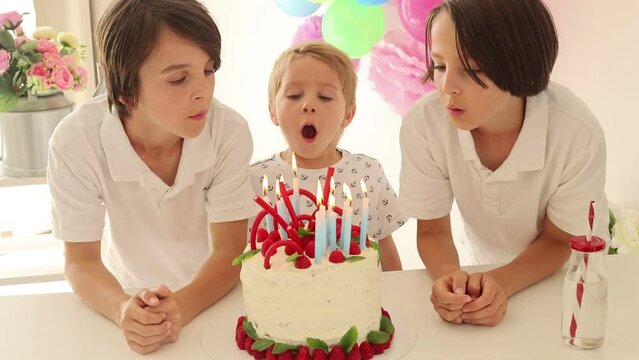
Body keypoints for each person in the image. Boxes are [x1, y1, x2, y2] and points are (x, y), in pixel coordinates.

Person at [46, 0, 255, 354]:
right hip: (121, 293)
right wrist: (122, 308)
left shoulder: (229, 131)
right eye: (178, 78)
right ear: (126, 90)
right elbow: (81, 262)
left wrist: (181, 307)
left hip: (214, 295)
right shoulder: (74, 142)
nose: (203, 90)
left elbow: (230, 252)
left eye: (208, 69)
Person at [398, 0, 608, 326]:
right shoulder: (424, 125)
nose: (447, 87)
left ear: (520, 63)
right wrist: (451, 280)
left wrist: (504, 281)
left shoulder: (575, 133)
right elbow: (433, 231)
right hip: (486, 267)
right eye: (439, 66)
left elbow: (559, 240)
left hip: (565, 279)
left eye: (472, 70)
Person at [251, 41, 404, 271]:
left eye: (324, 97)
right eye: (294, 95)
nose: (309, 105)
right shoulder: (254, 180)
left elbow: (385, 250)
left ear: (348, 114)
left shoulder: (367, 174)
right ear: (273, 110)